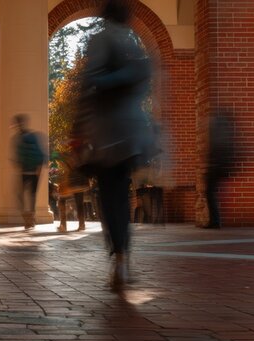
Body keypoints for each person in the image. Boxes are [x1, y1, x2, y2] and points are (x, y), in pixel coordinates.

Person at [72, 0, 157, 289]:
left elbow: (88, 82)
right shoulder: (135, 46)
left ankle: (118, 257)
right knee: (121, 194)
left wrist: (77, 127)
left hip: (108, 132)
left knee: (109, 197)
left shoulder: (102, 39)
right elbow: (145, 86)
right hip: (133, 132)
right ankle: (123, 258)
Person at [12, 114, 47, 230]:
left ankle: (27, 219)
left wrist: (18, 163)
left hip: (24, 172)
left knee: (20, 195)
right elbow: (41, 154)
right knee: (32, 197)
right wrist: (39, 168)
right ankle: (31, 219)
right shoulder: (34, 136)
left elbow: (17, 158)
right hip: (35, 172)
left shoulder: (18, 138)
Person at [205, 109, 235, 229]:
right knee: (214, 192)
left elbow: (216, 148)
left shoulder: (218, 129)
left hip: (216, 166)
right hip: (221, 165)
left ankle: (215, 220)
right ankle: (215, 219)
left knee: (210, 192)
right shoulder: (226, 130)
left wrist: (212, 162)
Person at [57, 153, 89, 233]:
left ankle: (66, 225)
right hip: (74, 185)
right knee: (64, 201)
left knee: (77, 205)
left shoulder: (79, 164)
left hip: (76, 185)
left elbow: (84, 176)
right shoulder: (72, 164)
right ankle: (66, 225)